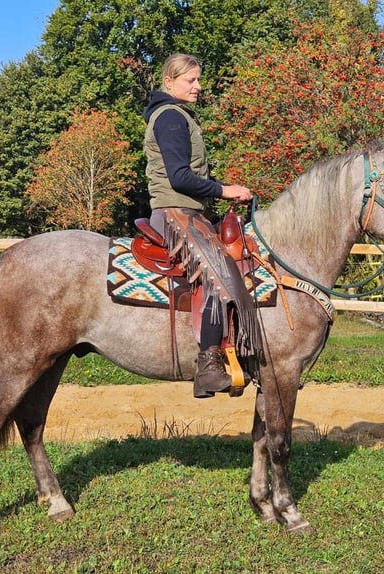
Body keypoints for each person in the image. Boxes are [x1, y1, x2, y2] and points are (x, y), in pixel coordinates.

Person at [143, 53, 259, 398]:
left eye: (198, 79)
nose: (198, 86)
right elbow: (180, 177)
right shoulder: (171, 118)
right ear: (169, 82)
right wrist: (225, 190)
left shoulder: (177, 116)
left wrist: (223, 192)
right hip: (173, 213)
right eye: (190, 80)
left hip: (187, 211)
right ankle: (208, 365)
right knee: (216, 273)